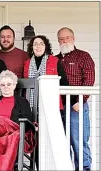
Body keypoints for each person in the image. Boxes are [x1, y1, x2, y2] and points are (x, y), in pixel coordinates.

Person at [24, 35, 70, 169]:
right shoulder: (27, 64)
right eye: (35, 44)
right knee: (35, 141)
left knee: (52, 139)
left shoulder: (54, 61)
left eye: (41, 44)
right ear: (31, 47)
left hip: (52, 107)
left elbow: (64, 84)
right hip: (33, 108)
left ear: (46, 47)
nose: (38, 46)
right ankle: (37, 167)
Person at [56, 27, 95, 171]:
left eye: (67, 38)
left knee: (79, 142)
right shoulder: (56, 59)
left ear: (73, 38)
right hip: (59, 107)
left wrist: (81, 100)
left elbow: (89, 79)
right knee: (62, 143)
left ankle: (84, 169)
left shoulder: (83, 56)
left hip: (76, 107)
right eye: (61, 39)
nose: (64, 41)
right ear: (58, 40)